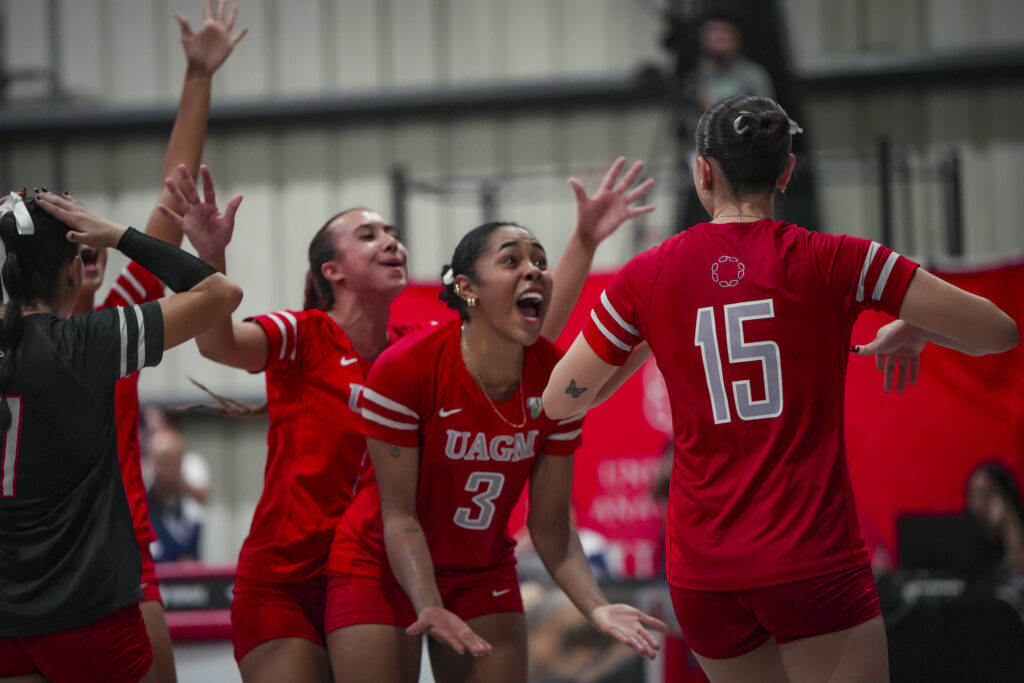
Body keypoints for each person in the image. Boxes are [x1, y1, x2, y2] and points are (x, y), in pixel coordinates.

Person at [541, 94, 1019, 682]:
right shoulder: (838, 259)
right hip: (812, 561)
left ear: (703, 172)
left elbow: (560, 398)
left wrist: (649, 338)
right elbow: (999, 333)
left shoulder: (649, 275)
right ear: (787, 170)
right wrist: (915, 326)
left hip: (705, 573)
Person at [188, 151, 652, 680]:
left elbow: (529, 342)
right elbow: (217, 344)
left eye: (391, 230)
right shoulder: (304, 334)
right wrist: (208, 258)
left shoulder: (414, 350)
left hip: (397, 558)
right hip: (292, 574)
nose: (390, 240)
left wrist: (584, 241)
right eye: (368, 235)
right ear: (331, 270)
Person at [325, 217, 668, 682]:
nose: (533, 271)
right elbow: (399, 516)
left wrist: (598, 608)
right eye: (511, 260)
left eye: (540, 262)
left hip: (480, 571)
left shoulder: (559, 382)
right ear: (468, 289)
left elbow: (550, 528)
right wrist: (429, 604)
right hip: (380, 565)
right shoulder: (407, 368)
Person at [0, 170, 242, 682]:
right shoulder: (88, 343)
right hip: (85, 609)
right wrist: (116, 234)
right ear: (73, 271)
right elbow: (220, 293)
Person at [70, 4, 245, 681]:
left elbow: (173, 203)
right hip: (28, 567)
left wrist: (197, 76)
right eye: (65, 241)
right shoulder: (20, 342)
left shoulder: (119, 322)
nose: (81, 245)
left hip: (121, 561)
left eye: (84, 230)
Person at [147, 427, 204, 563]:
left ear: (179, 464)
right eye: (155, 461)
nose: (158, 470)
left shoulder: (192, 509)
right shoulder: (141, 506)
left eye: (165, 462)